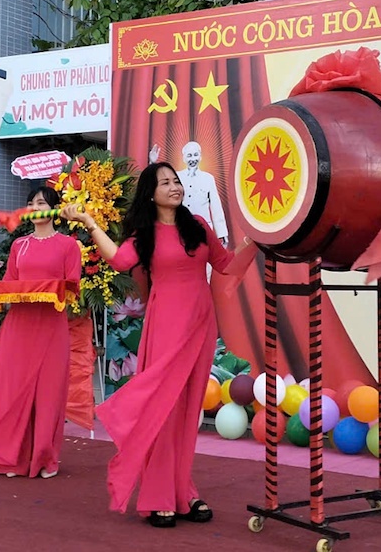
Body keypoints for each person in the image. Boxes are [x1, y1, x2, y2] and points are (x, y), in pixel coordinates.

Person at [62, 162, 253, 528]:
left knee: (186, 414)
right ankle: (159, 496)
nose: (174, 186)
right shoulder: (144, 234)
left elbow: (227, 264)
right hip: (166, 327)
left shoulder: (197, 226)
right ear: (152, 192)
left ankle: (184, 490)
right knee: (162, 411)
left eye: (176, 181)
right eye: (165, 182)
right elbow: (118, 260)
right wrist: (90, 223)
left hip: (199, 327)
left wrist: (258, 236)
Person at [0, 185, 81, 479]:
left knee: (48, 392)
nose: (35, 207)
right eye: (31, 203)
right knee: (12, 389)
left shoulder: (67, 245)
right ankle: (10, 458)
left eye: (41, 202)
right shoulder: (19, 245)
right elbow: (10, 282)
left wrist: (51, 290)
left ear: (53, 208)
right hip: (19, 325)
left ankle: (44, 457)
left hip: (51, 325)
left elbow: (72, 285)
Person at [149, 141, 228, 244]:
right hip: (179, 228)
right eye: (189, 156)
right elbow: (157, 183)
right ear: (184, 158)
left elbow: (216, 207)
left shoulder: (208, 178)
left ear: (200, 157)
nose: (193, 159)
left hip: (203, 230)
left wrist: (222, 233)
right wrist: (152, 163)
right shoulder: (176, 176)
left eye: (196, 155)